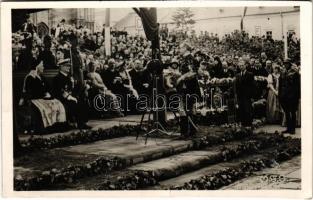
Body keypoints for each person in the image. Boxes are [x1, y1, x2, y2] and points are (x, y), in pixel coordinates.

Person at [52, 59, 91, 129]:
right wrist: (69, 97)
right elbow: (60, 91)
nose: (69, 67)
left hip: (71, 96)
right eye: (67, 66)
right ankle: (80, 123)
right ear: (61, 67)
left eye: (69, 66)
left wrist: (83, 87)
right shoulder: (57, 78)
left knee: (83, 100)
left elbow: (74, 88)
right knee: (75, 103)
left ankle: (83, 122)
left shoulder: (69, 77)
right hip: (63, 99)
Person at [279, 61, 300, 134]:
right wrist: (280, 95)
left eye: (287, 63)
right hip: (284, 96)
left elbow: (297, 86)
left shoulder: (295, 73)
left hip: (292, 96)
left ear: (290, 64)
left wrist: (297, 96)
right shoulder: (283, 72)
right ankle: (288, 128)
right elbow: (280, 85)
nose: (285, 65)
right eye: (284, 63)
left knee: (293, 112)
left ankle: (293, 129)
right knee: (287, 113)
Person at [234, 59, 255, 127]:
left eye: (242, 65)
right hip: (240, 96)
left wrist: (252, 96)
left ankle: (249, 125)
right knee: (241, 110)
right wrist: (236, 95)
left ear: (245, 66)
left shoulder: (250, 74)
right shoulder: (237, 75)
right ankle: (243, 125)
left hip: (247, 96)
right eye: (240, 66)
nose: (241, 67)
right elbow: (236, 86)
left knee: (247, 110)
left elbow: (252, 86)